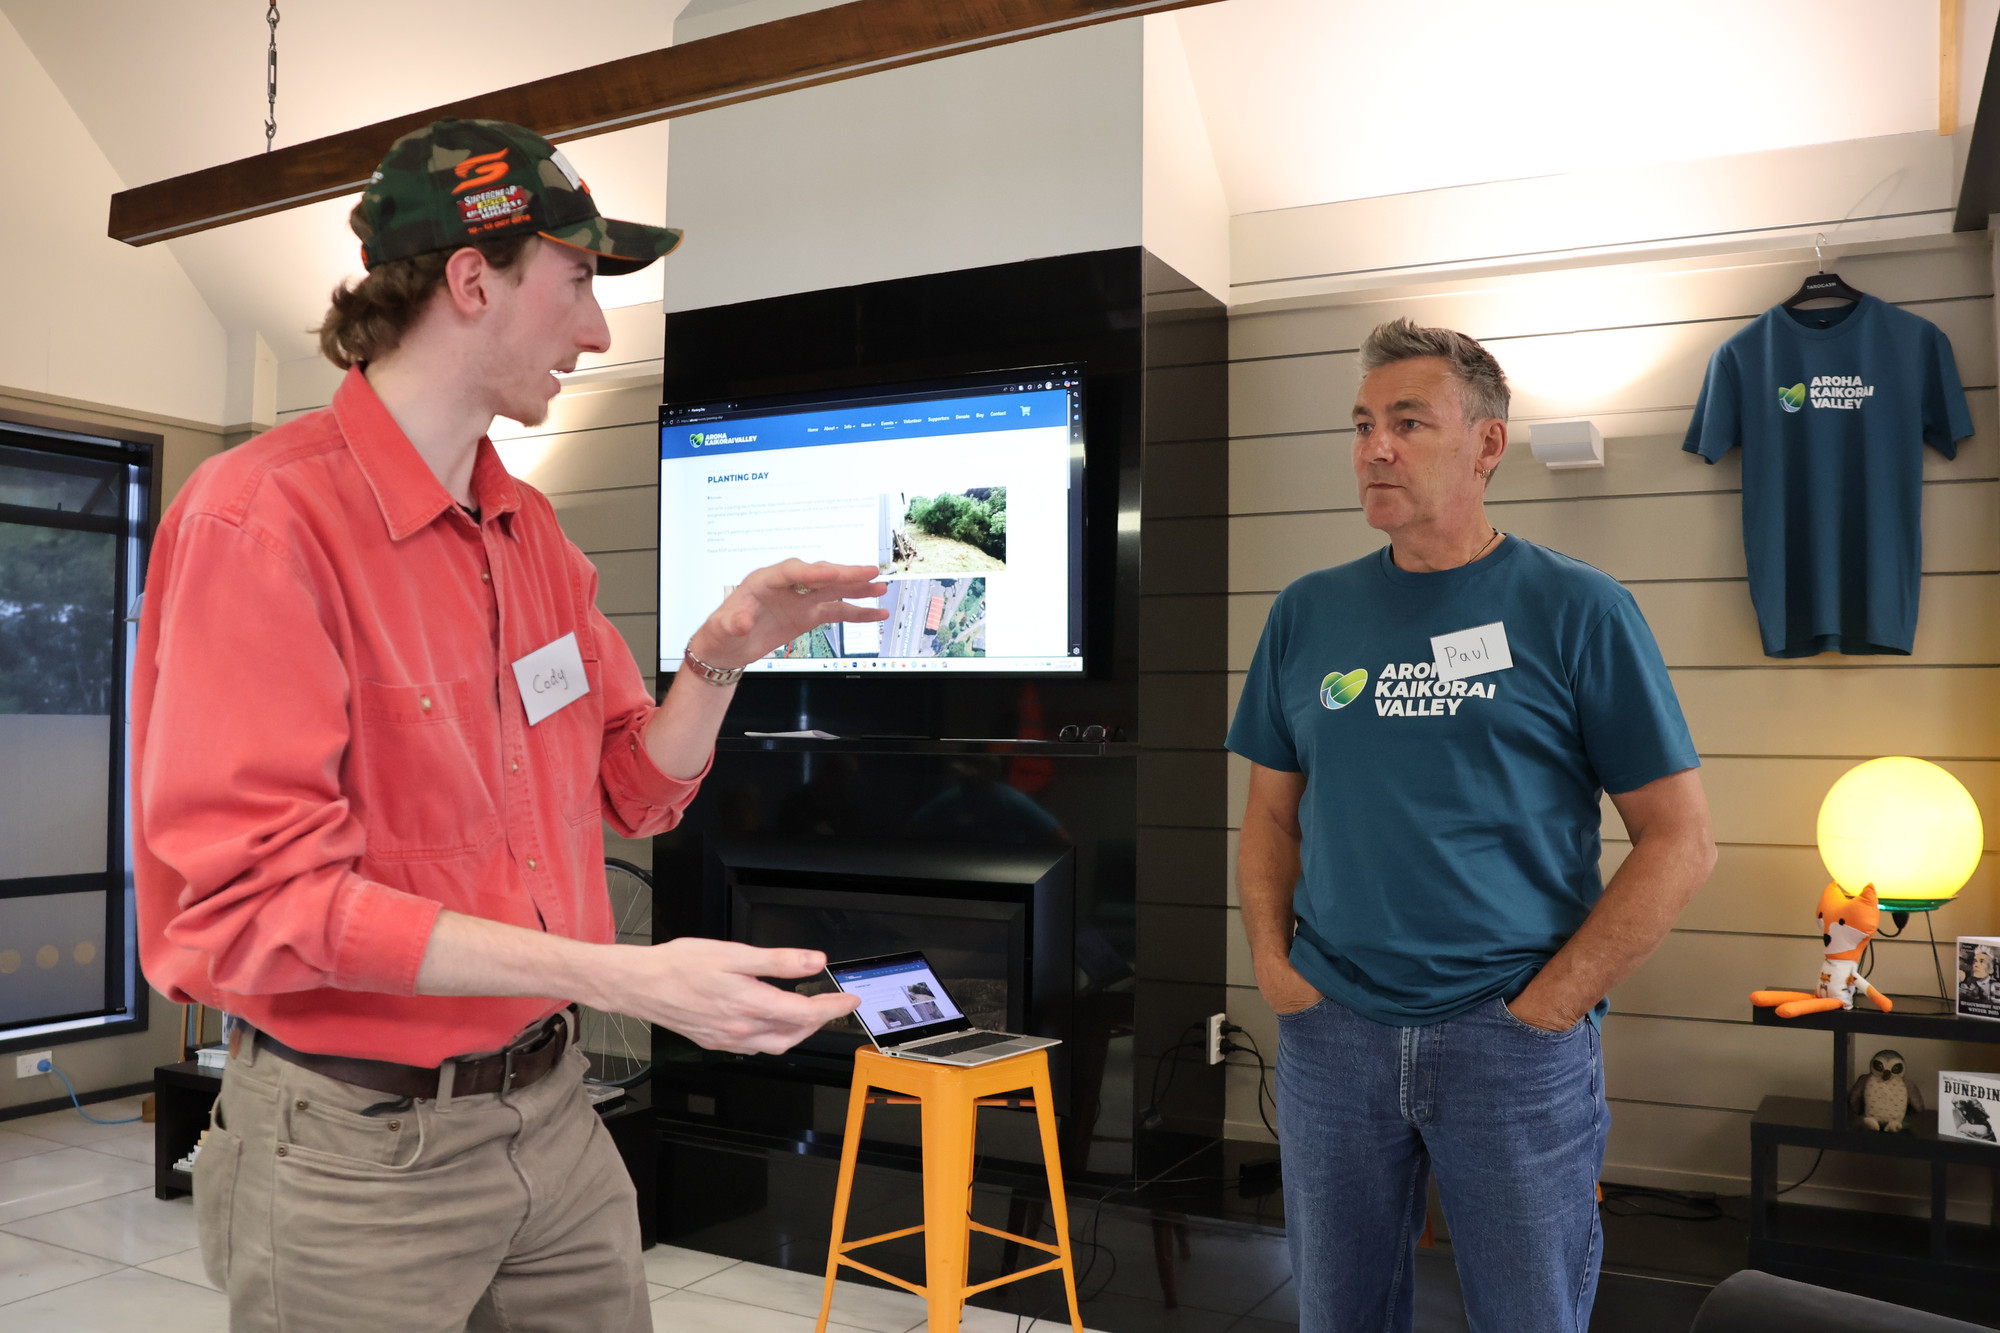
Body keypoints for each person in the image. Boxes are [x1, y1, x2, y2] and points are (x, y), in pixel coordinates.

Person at [131, 118, 882, 1333]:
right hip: (356, 1149)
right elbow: (266, 904)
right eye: (577, 281)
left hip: (550, 1116)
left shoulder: (530, 533)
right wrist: (625, 976)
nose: (597, 332)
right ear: (473, 280)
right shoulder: (260, 521)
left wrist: (717, 657)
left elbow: (633, 785)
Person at [1228, 319, 1716, 1332]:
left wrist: (1549, 1006)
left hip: (1509, 1039)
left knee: (1527, 1316)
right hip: (1333, 1030)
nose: (1375, 447)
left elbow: (1680, 840)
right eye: (1362, 423)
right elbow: (1271, 815)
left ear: (1488, 443)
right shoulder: (1305, 613)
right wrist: (1275, 969)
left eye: (1408, 422)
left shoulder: (1578, 609)